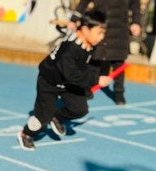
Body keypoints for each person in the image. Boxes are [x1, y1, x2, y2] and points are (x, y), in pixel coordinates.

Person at [17, 11, 109, 150]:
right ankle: (26, 134)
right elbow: (72, 74)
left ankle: (57, 117)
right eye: (99, 33)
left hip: (67, 82)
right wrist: (96, 80)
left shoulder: (89, 42)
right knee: (42, 120)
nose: (101, 37)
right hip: (49, 80)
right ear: (85, 30)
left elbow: (86, 67)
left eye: (103, 33)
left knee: (80, 109)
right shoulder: (70, 49)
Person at [77, 0, 141, 105]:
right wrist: (76, 16)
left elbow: (135, 2)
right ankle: (89, 87)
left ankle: (119, 93)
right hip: (99, 24)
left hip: (119, 25)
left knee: (118, 61)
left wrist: (136, 22)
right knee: (95, 58)